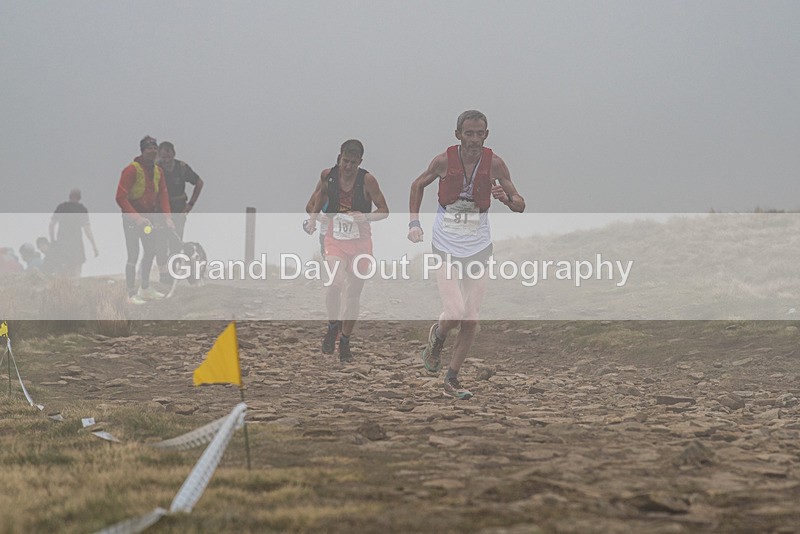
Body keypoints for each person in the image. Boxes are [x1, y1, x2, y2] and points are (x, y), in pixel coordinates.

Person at [408, 110, 525, 399]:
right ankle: (438, 336)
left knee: (471, 319)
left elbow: (521, 204)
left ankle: (452, 378)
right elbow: (417, 185)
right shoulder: (443, 161)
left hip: (478, 247)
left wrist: (507, 200)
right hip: (446, 244)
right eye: (469, 133)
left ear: (486, 135)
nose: (474, 139)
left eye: (479, 133)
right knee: (455, 312)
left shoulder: (495, 164)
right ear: (458, 134)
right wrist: (413, 223)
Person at [304, 140, 389, 363]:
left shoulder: (367, 180)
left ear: (360, 163)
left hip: (361, 242)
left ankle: (345, 340)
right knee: (334, 284)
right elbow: (317, 199)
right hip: (335, 238)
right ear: (339, 157)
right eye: (345, 161)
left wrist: (366, 216)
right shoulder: (328, 175)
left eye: (353, 162)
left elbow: (384, 210)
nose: (348, 166)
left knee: (353, 294)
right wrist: (313, 220)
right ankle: (333, 326)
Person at [116, 136, 174, 304]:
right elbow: (120, 197)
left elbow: (163, 194)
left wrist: (168, 218)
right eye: (149, 148)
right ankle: (130, 293)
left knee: (150, 250)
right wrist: (137, 218)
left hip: (149, 220)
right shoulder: (131, 170)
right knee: (133, 254)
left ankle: (145, 287)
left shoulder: (158, 171)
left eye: (155, 148)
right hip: (131, 220)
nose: (153, 150)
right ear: (142, 150)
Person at [155, 141, 204, 283]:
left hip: (179, 211)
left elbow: (199, 182)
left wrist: (191, 205)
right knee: (160, 244)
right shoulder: (155, 169)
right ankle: (164, 276)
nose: (167, 161)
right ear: (159, 156)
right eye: (164, 157)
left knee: (175, 244)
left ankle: (172, 273)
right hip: (159, 213)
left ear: (174, 154)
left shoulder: (182, 168)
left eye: (169, 157)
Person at [48, 189, 99, 277]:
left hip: (62, 242)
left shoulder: (61, 207)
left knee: (60, 270)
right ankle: (75, 288)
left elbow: (51, 225)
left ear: (69, 196)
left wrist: (53, 241)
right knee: (76, 270)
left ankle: (60, 288)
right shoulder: (82, 209)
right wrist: (94, 245)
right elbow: (87, 228)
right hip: (76, 243)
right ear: (79, 198)